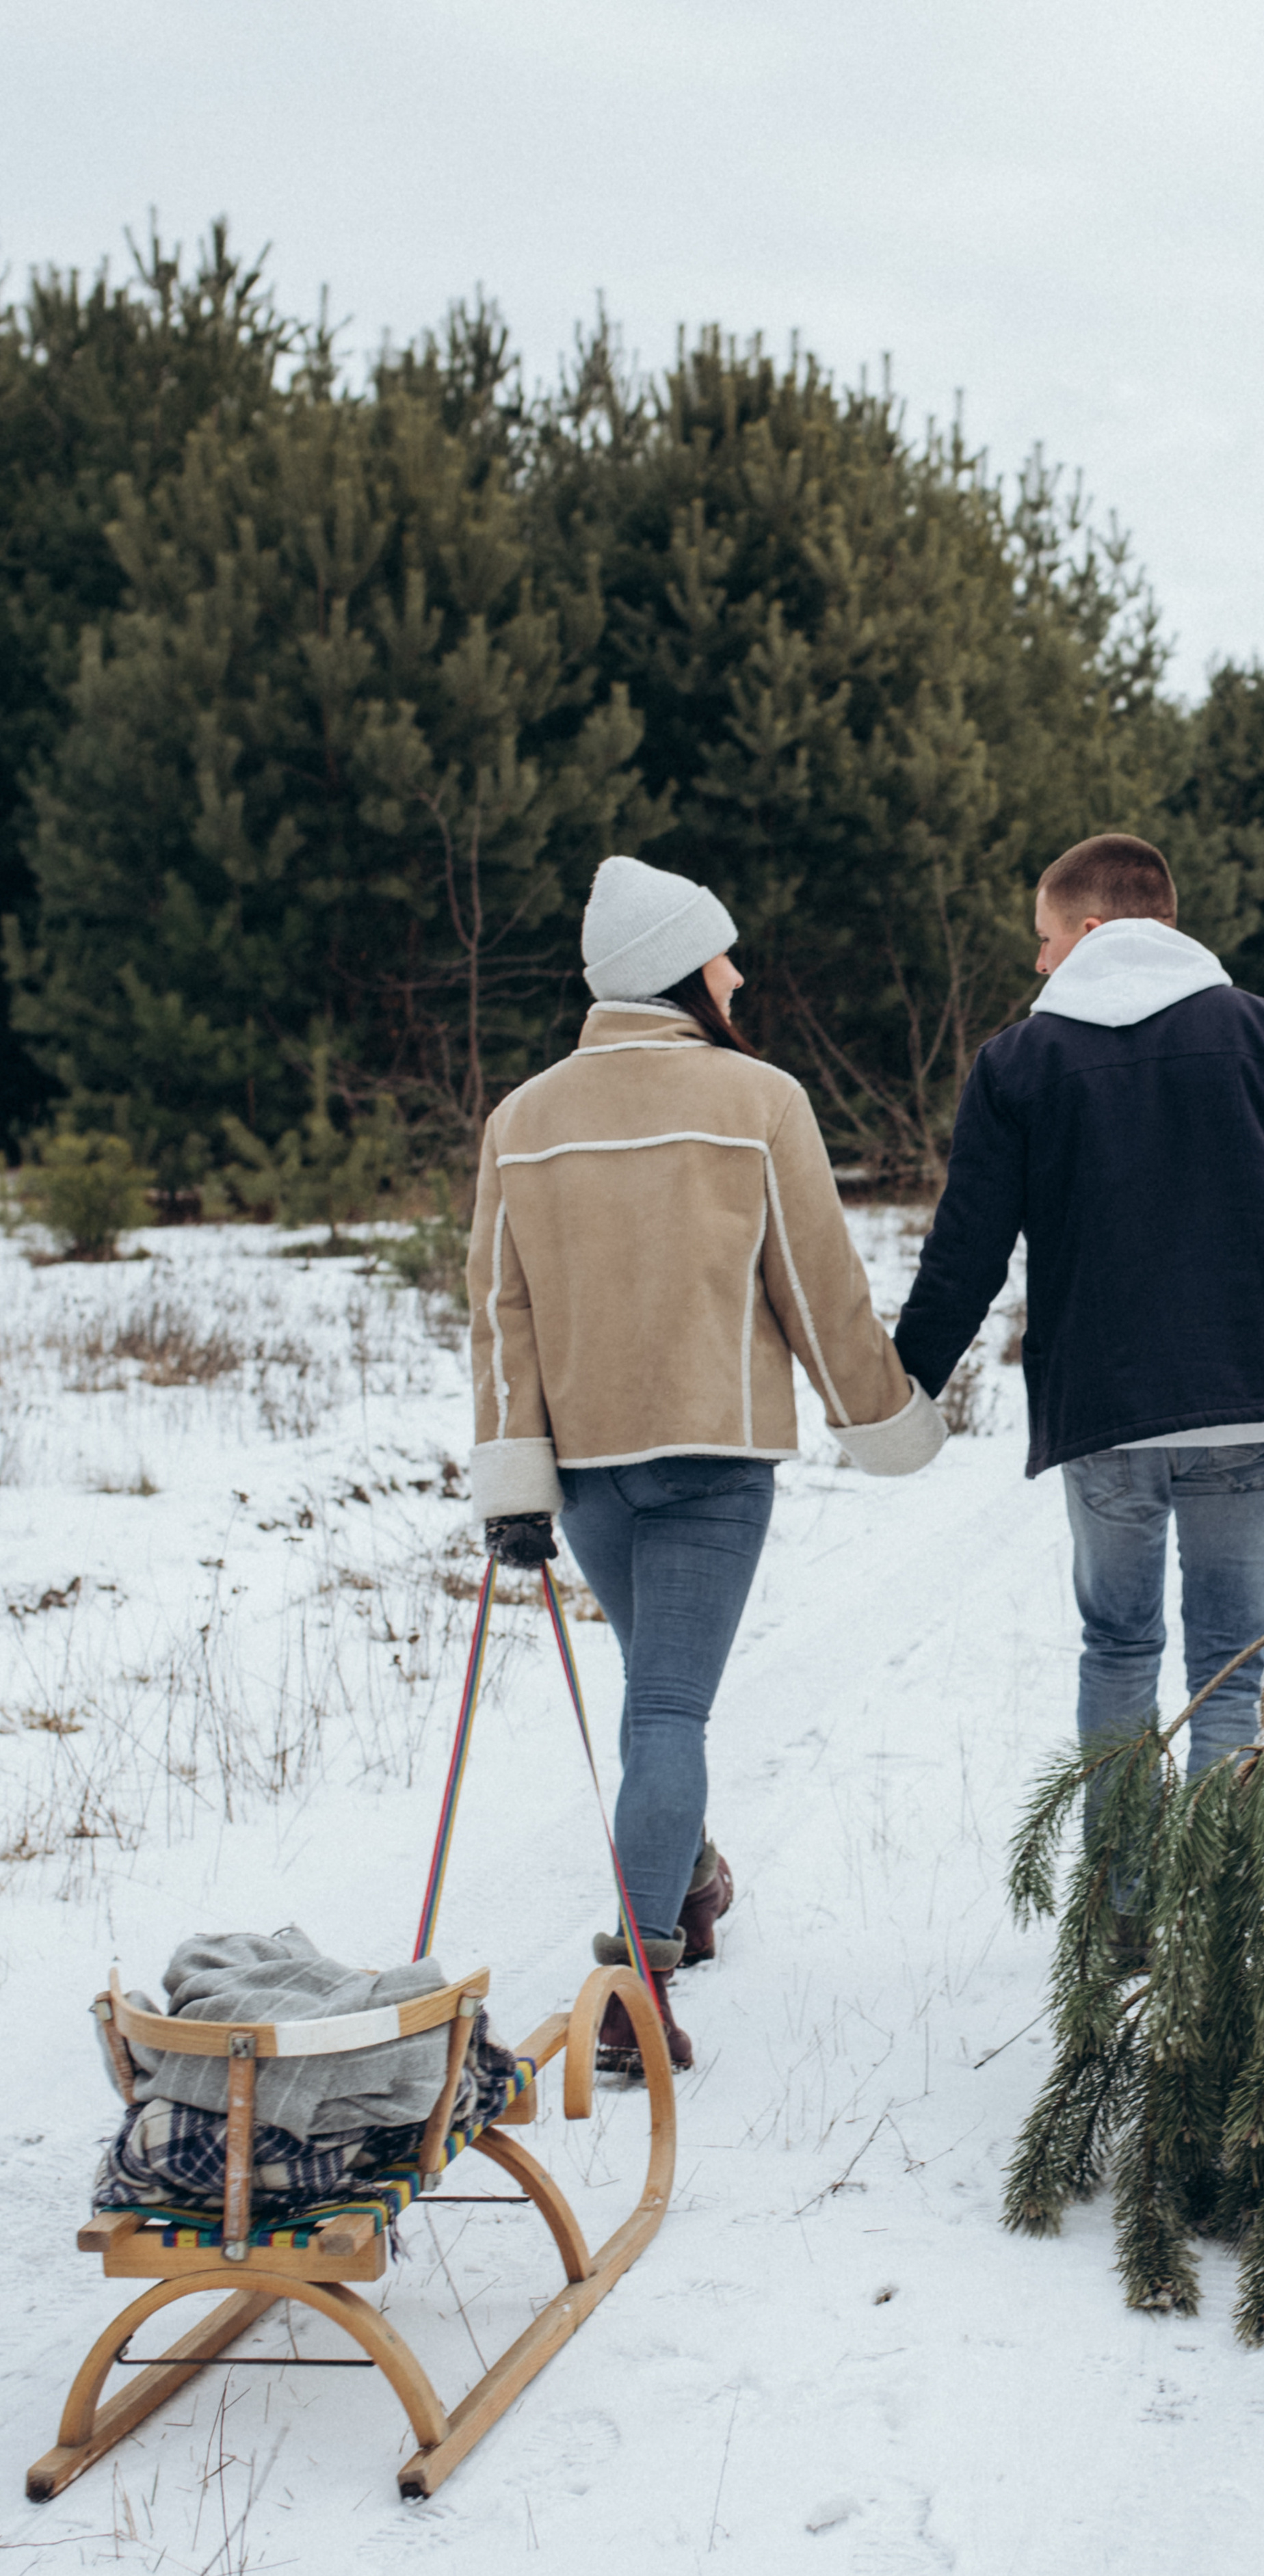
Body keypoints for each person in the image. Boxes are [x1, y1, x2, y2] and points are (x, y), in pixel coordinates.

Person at [466, 854, 945, 2071]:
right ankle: (637, 1991)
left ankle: (693, 1881)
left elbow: (499, 1315)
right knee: (669, 1709)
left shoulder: (520, 1120)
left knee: (656, 1699)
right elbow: (817, 1281)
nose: (740, 974)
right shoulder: (758, 1099)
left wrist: (517, 1481)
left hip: (587, 1473)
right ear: (683, 971)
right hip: (713, 1461)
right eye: (725, 955)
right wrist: (882, 1413)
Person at [893, 831, 1264, 1805]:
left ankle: (1123, 1909)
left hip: (1107, 1409)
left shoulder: (1017, 1063)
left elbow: (967, 1251)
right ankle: (1220, 1920)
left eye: (1044, 939)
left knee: (1118, 1649)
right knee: (1234, 1661)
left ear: (1090, 929)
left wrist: (901, 1386)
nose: (1038, 961)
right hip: (1257, 1402)